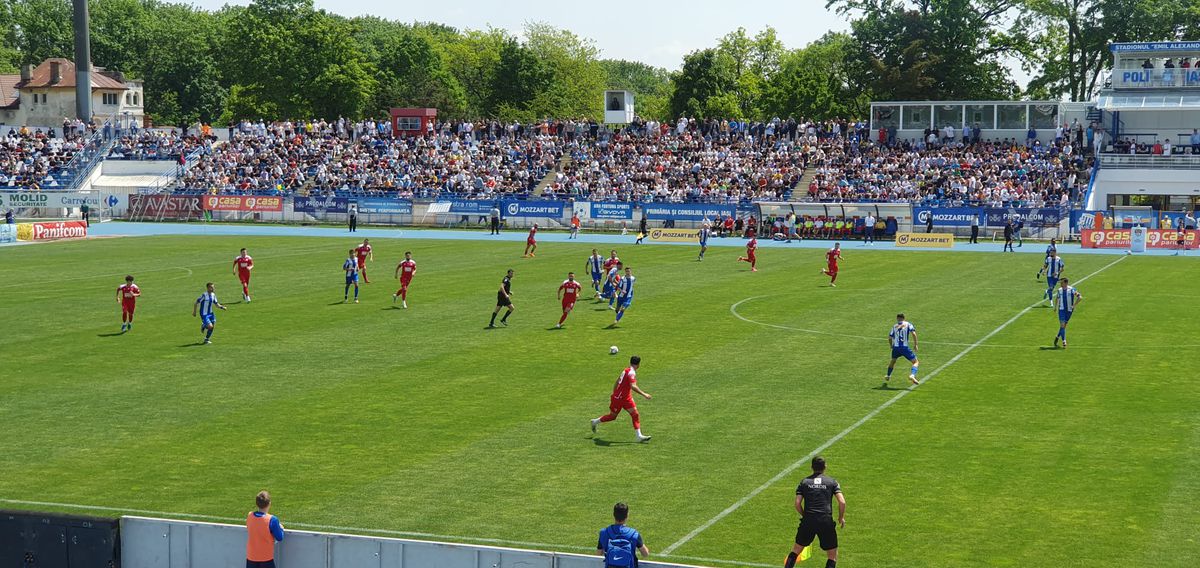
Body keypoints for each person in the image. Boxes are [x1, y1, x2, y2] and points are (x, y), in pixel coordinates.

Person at [784, 456, 846, 568]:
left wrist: (805, 515)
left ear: (812, 467)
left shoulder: (804, 482)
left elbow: (797, 503)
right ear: (825, 467)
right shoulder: (832, 482)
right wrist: (841, 518)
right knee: (832, 556)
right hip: (825, 521)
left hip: (808, 520)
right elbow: (842, 502)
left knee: (796, 550)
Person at [590, 355, 652, 442]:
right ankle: (595, 422)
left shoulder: (626, 370)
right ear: (638, 365)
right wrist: (644, 394)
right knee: (612, 416)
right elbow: (633, 386)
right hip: (619, 399)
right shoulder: (631, 373)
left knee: (635, 414)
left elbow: (617, 381)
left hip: (626, 398)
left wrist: (615, 391)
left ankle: (639, 436)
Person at [598, 502, 650, 568]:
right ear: (627, 516)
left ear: (613, 515)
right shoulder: (634, 534)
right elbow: (645, 554)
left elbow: (598, 554)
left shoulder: (604, 532)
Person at [246, 490, 285, 568]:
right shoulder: (272, 520)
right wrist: (281, 528)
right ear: (269, 503)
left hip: (251, 557)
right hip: (266, 559)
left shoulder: (250, 516)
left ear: (257, 504)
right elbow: (279, 537)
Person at [884, 313, 919, 386]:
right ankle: (912, 375)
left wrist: (891, 346)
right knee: (916, 362)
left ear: (897, 318)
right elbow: (914, 334)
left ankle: (888, 375)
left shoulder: (894, 326)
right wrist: (915, 345)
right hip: (904, 348)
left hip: (896, 348)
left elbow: (890, 338)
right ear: (904, 318)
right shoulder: (908, 324)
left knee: (893, 361)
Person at [1052, 277, 1082, 348]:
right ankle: (1064, 341)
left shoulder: (1071, 289)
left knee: (1064, 326)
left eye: (1062, 283)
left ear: (1066, 283)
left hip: (1069, 311)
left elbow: (1080, 297)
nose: (1060, 284)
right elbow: (1057, 298)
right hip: (1061, 310)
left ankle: (1057, 336)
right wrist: (1055, 307)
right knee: (1062, 325)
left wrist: (1074, 305)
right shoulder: (1059, 290)